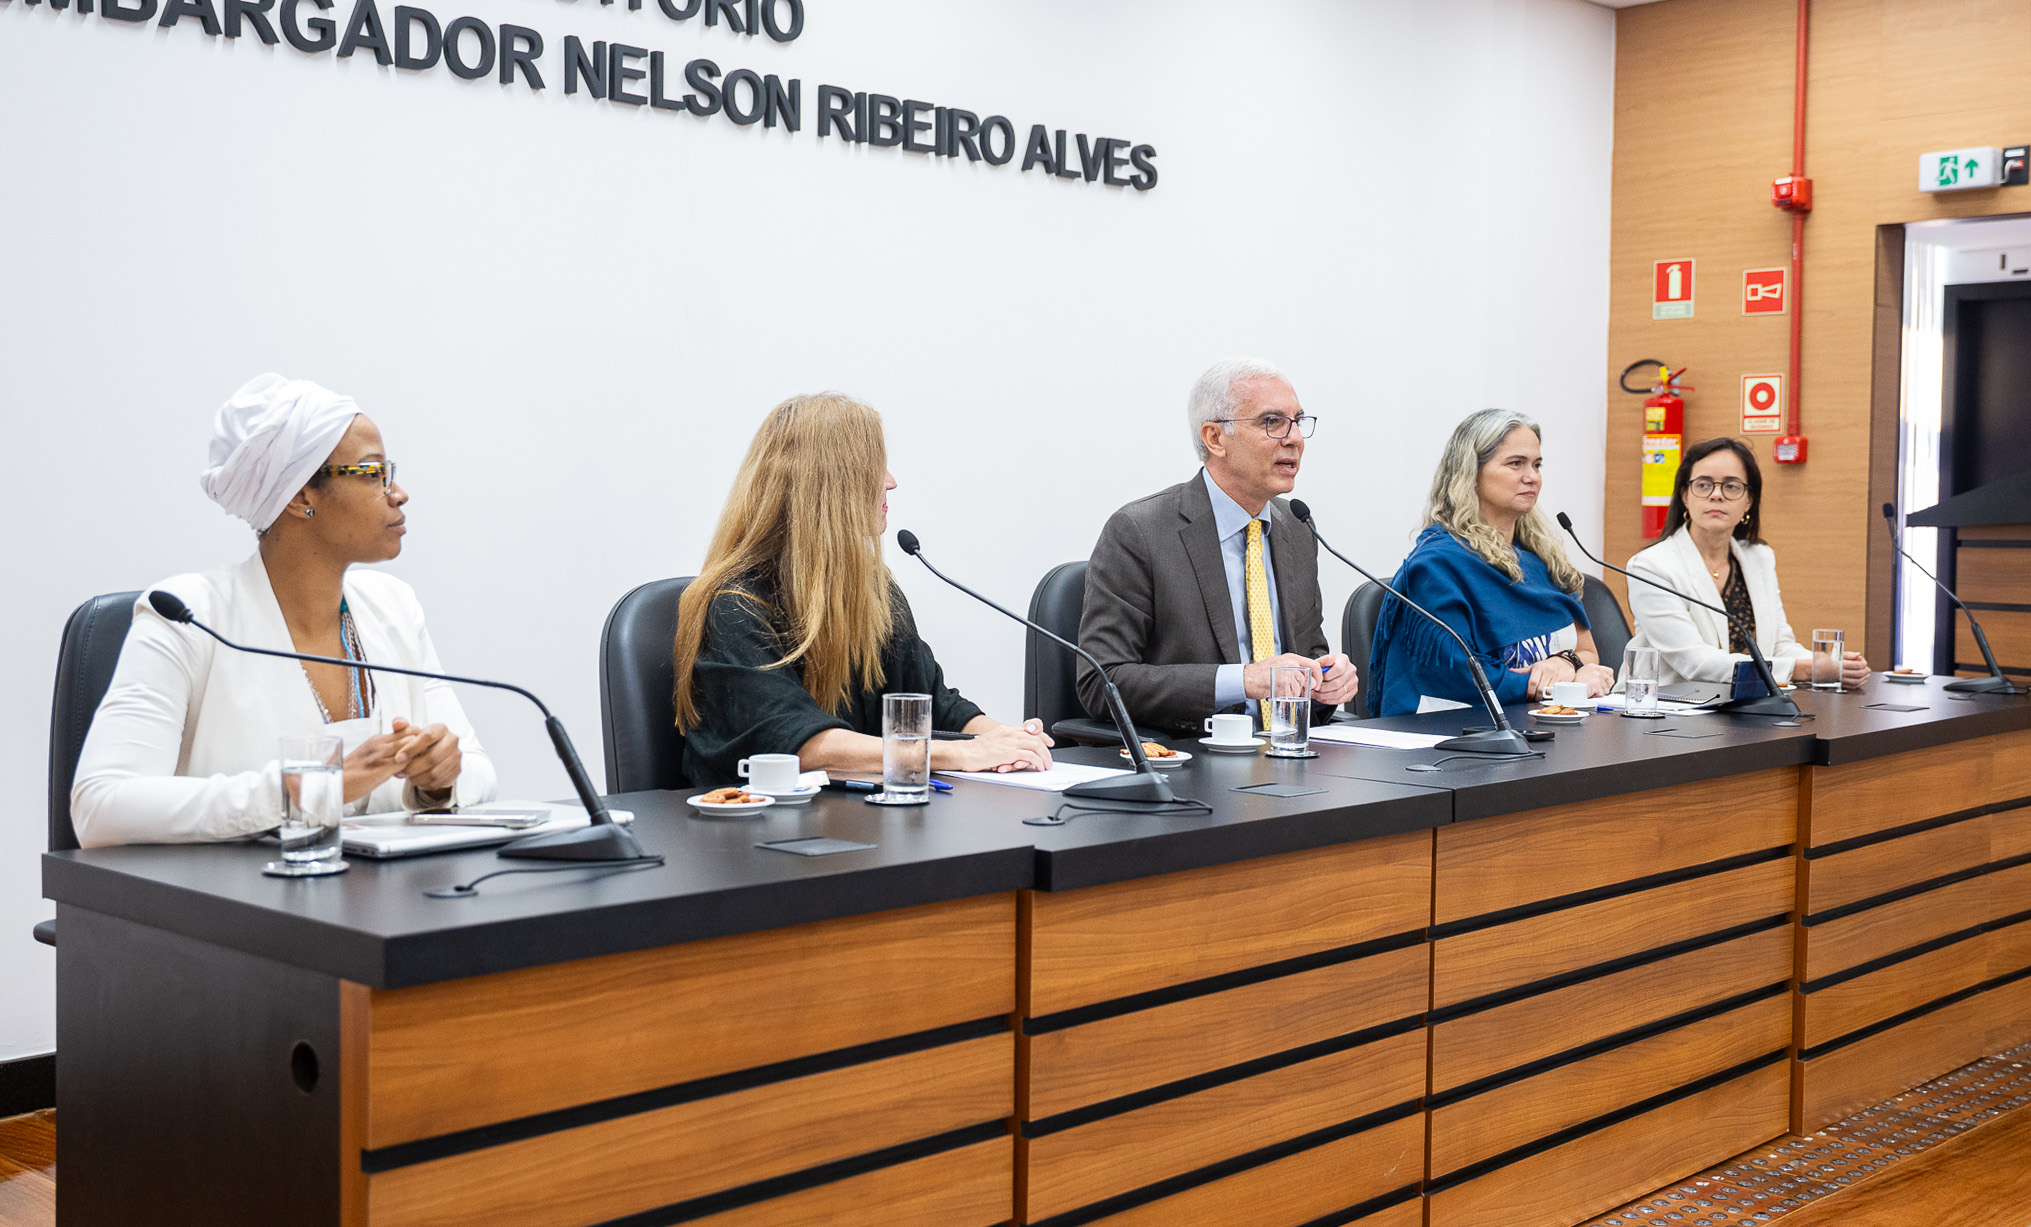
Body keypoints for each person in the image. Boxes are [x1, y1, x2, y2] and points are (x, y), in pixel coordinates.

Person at [71, 374, 495, 847]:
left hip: (388, 910)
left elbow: (477, 770)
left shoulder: (394, 606)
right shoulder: (188, 617)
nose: (398, 493)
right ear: (301, 495)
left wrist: (438, 779)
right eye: (373, 473)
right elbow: (100, 807)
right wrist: (301, 790)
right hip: (238, 912)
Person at [673, 392, 1056, 786]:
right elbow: (798, 744)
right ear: (829, 485)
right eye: (875, 467)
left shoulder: (872, 588)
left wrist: (1005, 739)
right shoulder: (735, 604)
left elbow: (934, 705)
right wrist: (964, 752)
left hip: (854, 822)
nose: (891, 482)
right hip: (753, 834)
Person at [1077, 357, 1357, 736]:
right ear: (1215, 438)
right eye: (1271, 422)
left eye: (1297, 422)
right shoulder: (1140, 532)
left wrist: (1326, 681)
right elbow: (1101, 682)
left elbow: (1307, 655)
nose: (1293, 438)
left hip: (1286, 752)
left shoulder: (1296, 527)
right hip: (1192, 760)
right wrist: (1242, 681)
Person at [1368, 408, 1613, 717]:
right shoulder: (1438, 566)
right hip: (1453, 738)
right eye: (1516, 464)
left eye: (1537, 464)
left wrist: (1566, 664)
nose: (1532, 477)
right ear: (1471, 472)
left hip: (1539, 726)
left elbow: (1587, 652)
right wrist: (1564, 685)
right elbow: (1457, 675)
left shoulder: (1540, 558)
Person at [1619, 436, 1868, 689]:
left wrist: (1829, 663)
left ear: (1748, 500)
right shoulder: (1651, 566)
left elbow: (1779, 644)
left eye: (1731, 486)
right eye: (1703, 485)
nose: (1716, 495)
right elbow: (1694, 663)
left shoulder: (1758, 557)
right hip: (1663, 712)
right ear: (1685, 496)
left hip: (1746, 704)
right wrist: (1803, 669)